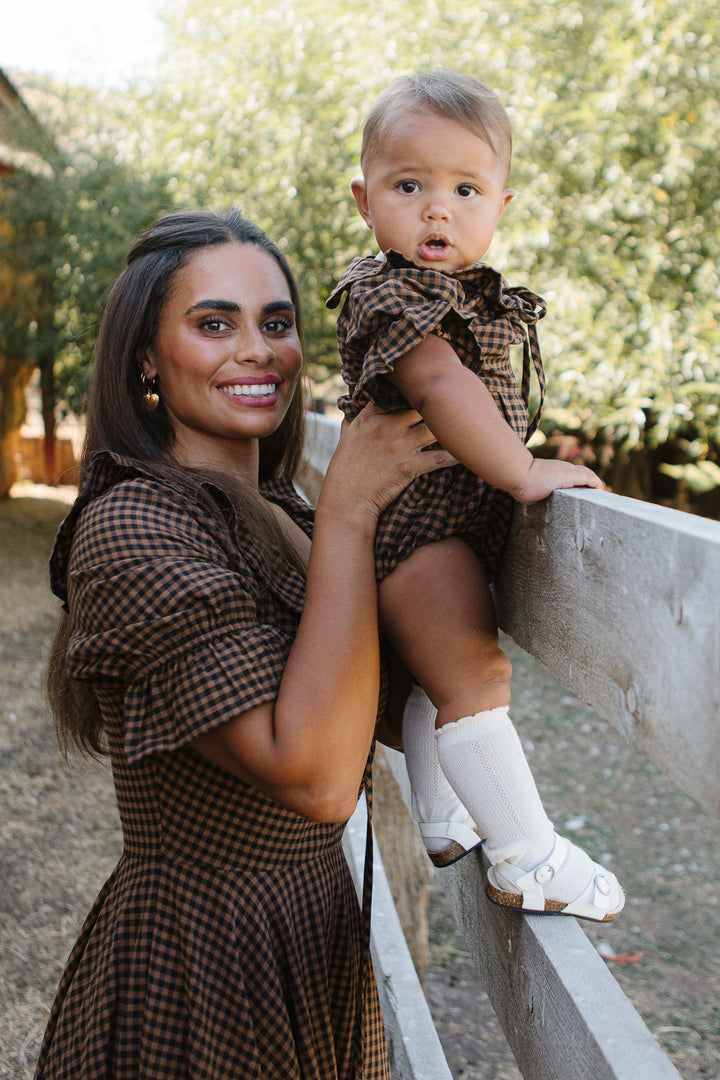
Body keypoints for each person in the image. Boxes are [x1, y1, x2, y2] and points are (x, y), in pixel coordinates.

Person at [36, 208, 455, 1079]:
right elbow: (313, 774)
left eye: (277, 322)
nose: (258, 349)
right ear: (146, 356)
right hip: (201, 962)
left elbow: (384, 703)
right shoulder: (129, 528)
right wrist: (350, 512)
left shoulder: (281, 512)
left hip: (315, 933)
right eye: (214, 323)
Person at [327, 69, 625, 921]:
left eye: (465, 188)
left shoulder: (458, 293)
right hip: (420, 530)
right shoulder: (394, 297)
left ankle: (442, 818)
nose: (437, 210)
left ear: (502, 202)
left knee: (431, 679)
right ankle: (530, 857)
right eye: (409, 185)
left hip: (424, 526)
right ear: (364, 199)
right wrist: (523, 473)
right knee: (475, 673)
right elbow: (441, 381)